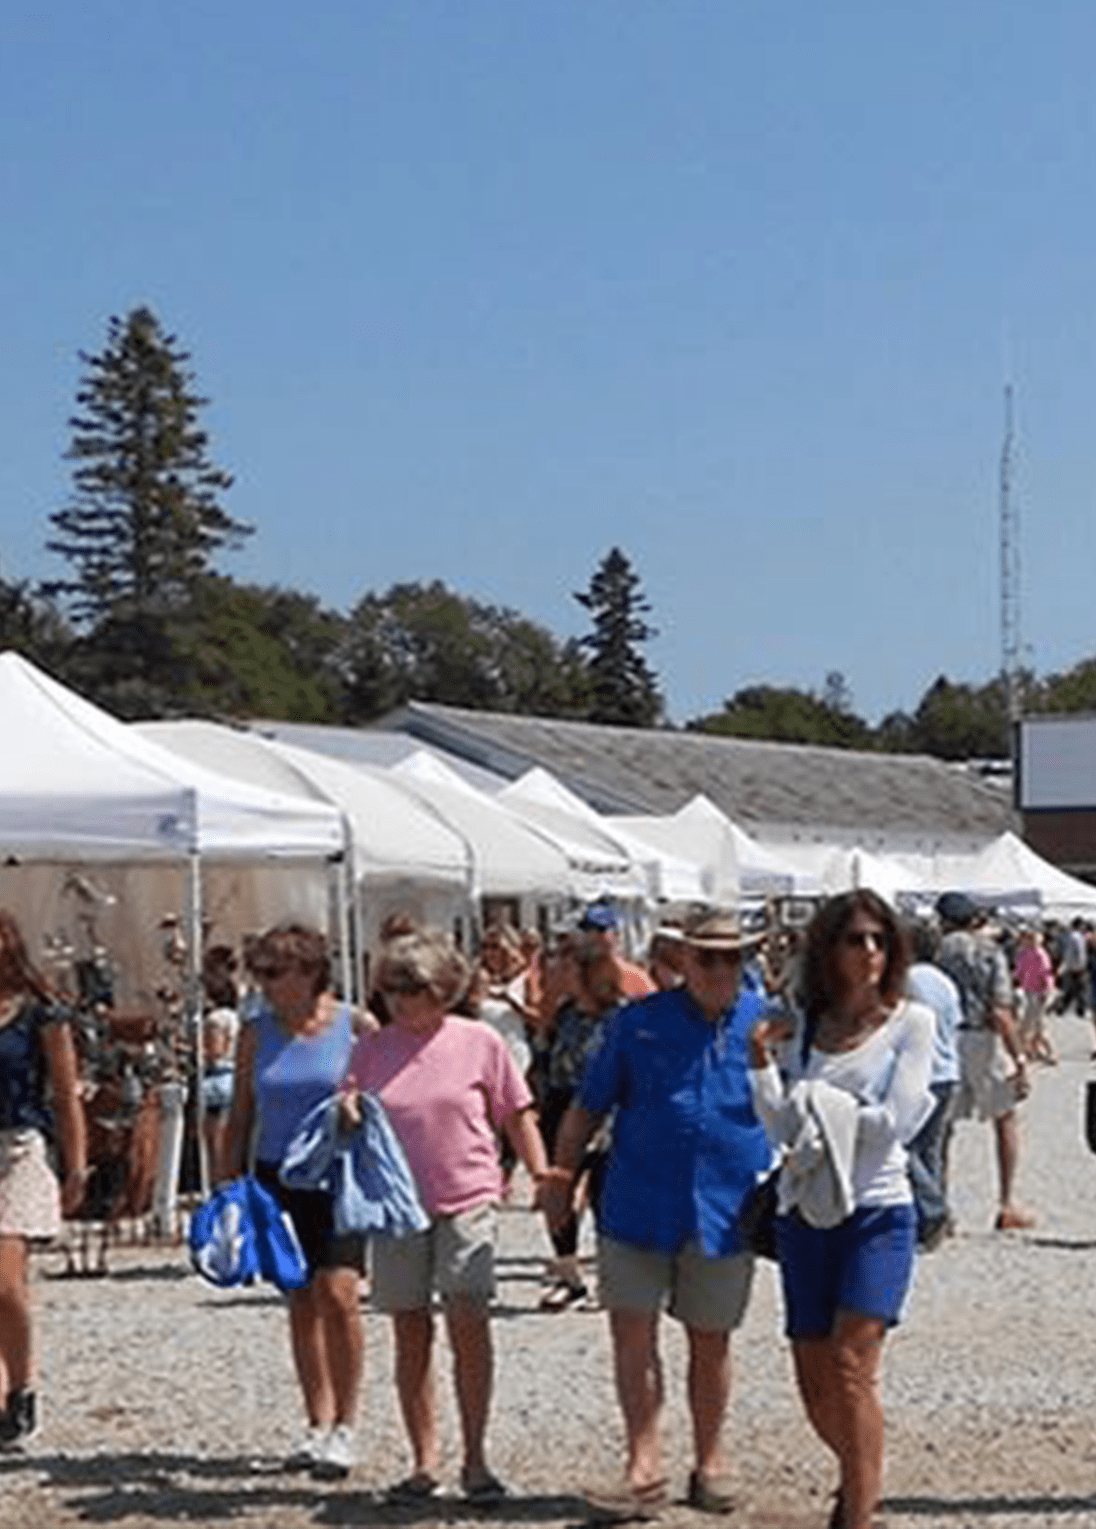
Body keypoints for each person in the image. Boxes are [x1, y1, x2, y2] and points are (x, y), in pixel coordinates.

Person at [541, 909, 772, 1520]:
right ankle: (643, 1463)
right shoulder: (636, 1024)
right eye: (708, 957)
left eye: (733, 957)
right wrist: (561, 1177)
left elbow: (801, 1101)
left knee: (711, 1340)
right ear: (682, 961)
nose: (721, 968)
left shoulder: (766, 1022)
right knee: (632, 1335)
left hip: (726, 1207)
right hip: (638, 1202)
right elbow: (587, 1106)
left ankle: (712, 1459)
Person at [345, 925, 551, 1505]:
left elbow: (517, 1112)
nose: (400, 999)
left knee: (468, 1321)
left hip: (467, 1195)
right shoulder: (371, 1048)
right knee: (410, 1331)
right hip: (397, 1207)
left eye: (412, 988)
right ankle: (424, 1460)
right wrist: (346, 1115)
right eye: (391, 988)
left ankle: (477, 1458)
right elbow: (348, 1113)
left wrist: (540, 1175)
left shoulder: (479, 1040)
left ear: (443, 988)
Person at [748, 890, 935, 1529]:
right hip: (805, 1210)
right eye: (855, 939)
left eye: (880, 939)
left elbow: (899, 1122)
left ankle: (859, 1512)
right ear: (828, 948)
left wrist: (817, 1109)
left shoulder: (912, 1021)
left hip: (878, 1209)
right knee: (813, 1380)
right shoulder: (802, 1024)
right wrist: (760, 1065)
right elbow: (776, 1126)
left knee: (853, 1366)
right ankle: (861, 1478)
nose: (870, 952)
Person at [221, 923, 374, 1480]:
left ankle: (347, 1425)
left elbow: (383, 1102)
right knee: (300, 1299)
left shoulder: (357, 1027)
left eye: (273, 973)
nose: (263, 984)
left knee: (340, 1294)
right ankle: (317, 1420)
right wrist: (226, 1179)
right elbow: (239, 1110)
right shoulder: (254, 1033)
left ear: (310, 972)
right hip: (274, 1175)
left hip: (336, 1174)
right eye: (259, 973)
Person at [0, 909, 87, 1447]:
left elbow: (64, 1090)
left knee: (5, 1280)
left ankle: (23, 1385)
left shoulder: (39, 1014)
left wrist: (76, 1166)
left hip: (18, 1148)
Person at [934, 892, 1035, 1232]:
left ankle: (939, 1205)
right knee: (1005, 1118)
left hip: (944, 1037)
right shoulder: (989, 951)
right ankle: (1007, 1203)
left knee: (942, 1127)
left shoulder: (936, 951)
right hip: (983, 1038)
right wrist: (1019, 1057)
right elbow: (1000, 1010)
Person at [904, 919, 963, 1249]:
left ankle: (934, 1209)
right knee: (931, 1151)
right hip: (948, 1071)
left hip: (923, 1072)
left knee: (904, 1148)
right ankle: (931, 1223)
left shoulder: (908, 980)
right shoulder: (945, 981)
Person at [1013, 927, 1056, 1064]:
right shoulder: (1024, 952)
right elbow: (1018, 971)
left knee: (1034, 1024)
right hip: (1028, 990)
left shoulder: (1038, 953)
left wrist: (1046, 991)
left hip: (1038, 991)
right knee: (1031, 1024)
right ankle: (1034, 1051)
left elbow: (1045, 973)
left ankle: (1047, 1052)